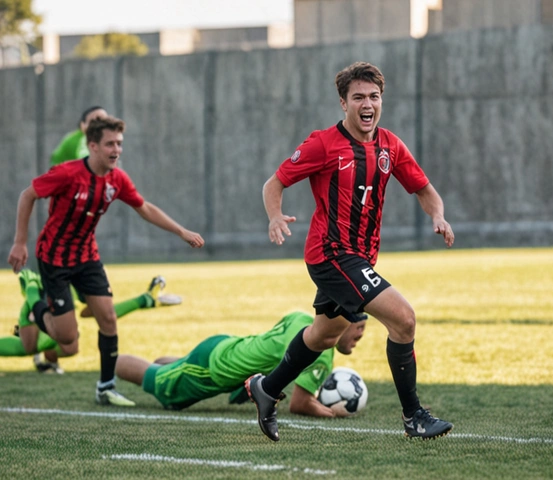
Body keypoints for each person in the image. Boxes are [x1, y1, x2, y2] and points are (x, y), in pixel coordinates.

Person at [245, 61, 455, 442]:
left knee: (324, 336)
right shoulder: (323, 144)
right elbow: (274, 183)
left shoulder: (390, 145)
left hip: (361, 257)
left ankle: (267, 388)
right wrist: (275, 216)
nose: (367, 103)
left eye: (374, 96)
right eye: (358, 97)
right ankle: (414, 418)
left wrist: (438, 215)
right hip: (331, 255)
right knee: (403, 319)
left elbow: (424, 189)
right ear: (343, 103)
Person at [7, 115, 205, 407]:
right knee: (68, 340)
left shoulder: (117, 179)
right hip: (54, 259)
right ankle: (35, 300)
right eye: (110, 143)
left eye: (120, 143)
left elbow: (145, 208)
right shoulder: (67, 173)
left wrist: (181, 231)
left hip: (87, 257)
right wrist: (20, 242)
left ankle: (106, 386)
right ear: (93, 146)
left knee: (108, 319)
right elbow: (28, 195)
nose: (117, 150)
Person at [115, 311, 366, 417]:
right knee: (162, 388)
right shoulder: (320, 352)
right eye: (359, 327)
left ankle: (172, 366)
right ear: (342, 322)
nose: (361, 335)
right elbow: (299, 404)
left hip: (227, 349)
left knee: (174, 370)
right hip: (212, 369)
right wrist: (334, 412)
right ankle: (108, 368)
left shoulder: (302, 318)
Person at [0, 269, 181, 374]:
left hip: (55, 314)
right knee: (30, 346)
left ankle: (45, 359)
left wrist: (143, 301)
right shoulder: (59, 278)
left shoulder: (82, 280)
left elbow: (99, 313)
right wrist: (34, 300)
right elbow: (33, 289)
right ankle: (36, 348)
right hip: (36, 308)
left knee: (70, 346)